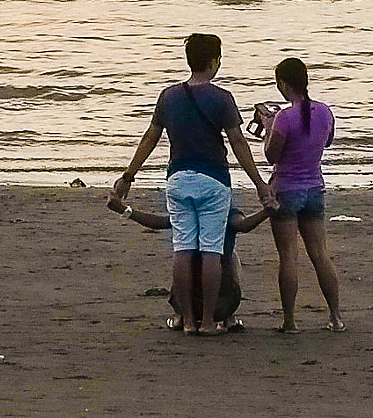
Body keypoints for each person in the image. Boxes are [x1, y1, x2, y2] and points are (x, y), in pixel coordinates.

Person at [112, 33, 277, 336]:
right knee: (212, 251)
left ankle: (187, 321)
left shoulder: (169, 96)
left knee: (183, 249)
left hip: (176, 179)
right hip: (213, 180)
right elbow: (238, 142)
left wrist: (127, 176)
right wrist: (259, 183)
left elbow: (151, 136)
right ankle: (208, 322)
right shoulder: (222, 98)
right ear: (214, 62)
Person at [256, 58, 345, 333]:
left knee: (289, 257)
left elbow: (272, 155)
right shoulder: (325, 111)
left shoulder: (284, 117)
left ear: (283, 84)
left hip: (286, 190)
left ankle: (290, 320)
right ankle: (335, 316)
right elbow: (326, 142)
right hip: (314, 187)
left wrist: (268, 125)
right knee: (320, 253)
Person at [106, 191, 271, 329]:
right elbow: (244, 225)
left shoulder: (187, 214)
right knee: (228, 255)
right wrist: (267, 211)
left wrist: (124, 210)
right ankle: (229, 318)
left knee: (184, 255)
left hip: (185, 304)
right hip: (224, 304)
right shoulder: (226, 212)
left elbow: (157, 222)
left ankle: (180, 317)